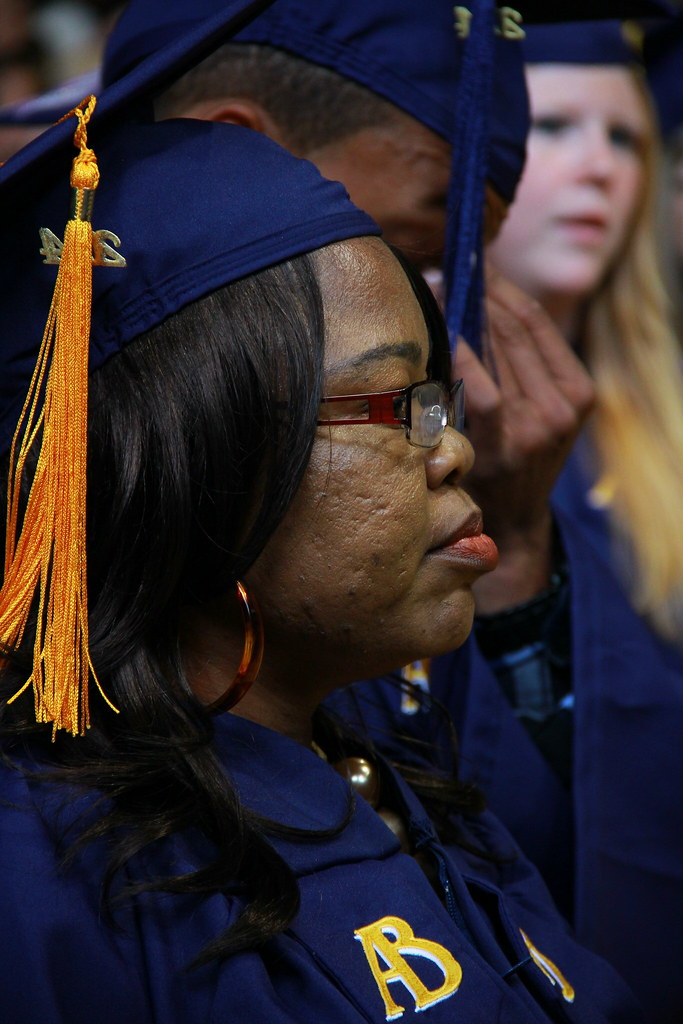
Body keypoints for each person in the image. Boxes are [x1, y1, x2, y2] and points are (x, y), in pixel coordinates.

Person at [0, 30, 647, 1020]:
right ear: (197, 461)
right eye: (396, 401)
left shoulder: (399, 787)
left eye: (440, 399)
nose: (457, 448)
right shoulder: (47, 879)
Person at [427, 21, 683, 1024]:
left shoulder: (666, 420)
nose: (595, 167)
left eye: (622, 139)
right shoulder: (405, 408)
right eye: (556, 126)